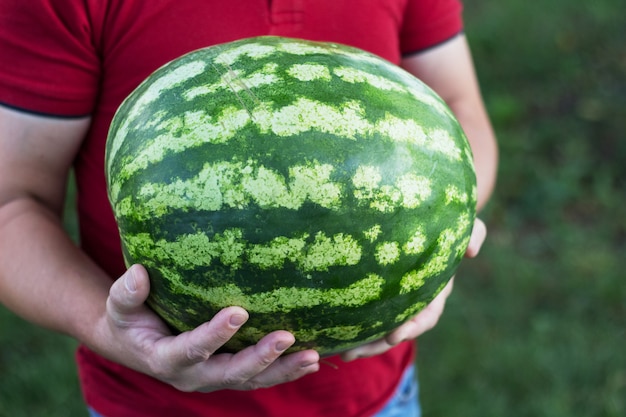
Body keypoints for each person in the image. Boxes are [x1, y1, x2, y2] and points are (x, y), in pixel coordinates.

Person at [0, 1, 497, 416]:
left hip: (374, 400)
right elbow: (12, 203)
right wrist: (108, 330)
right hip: (148, 404)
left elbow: (458, 106)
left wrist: (443, 236)